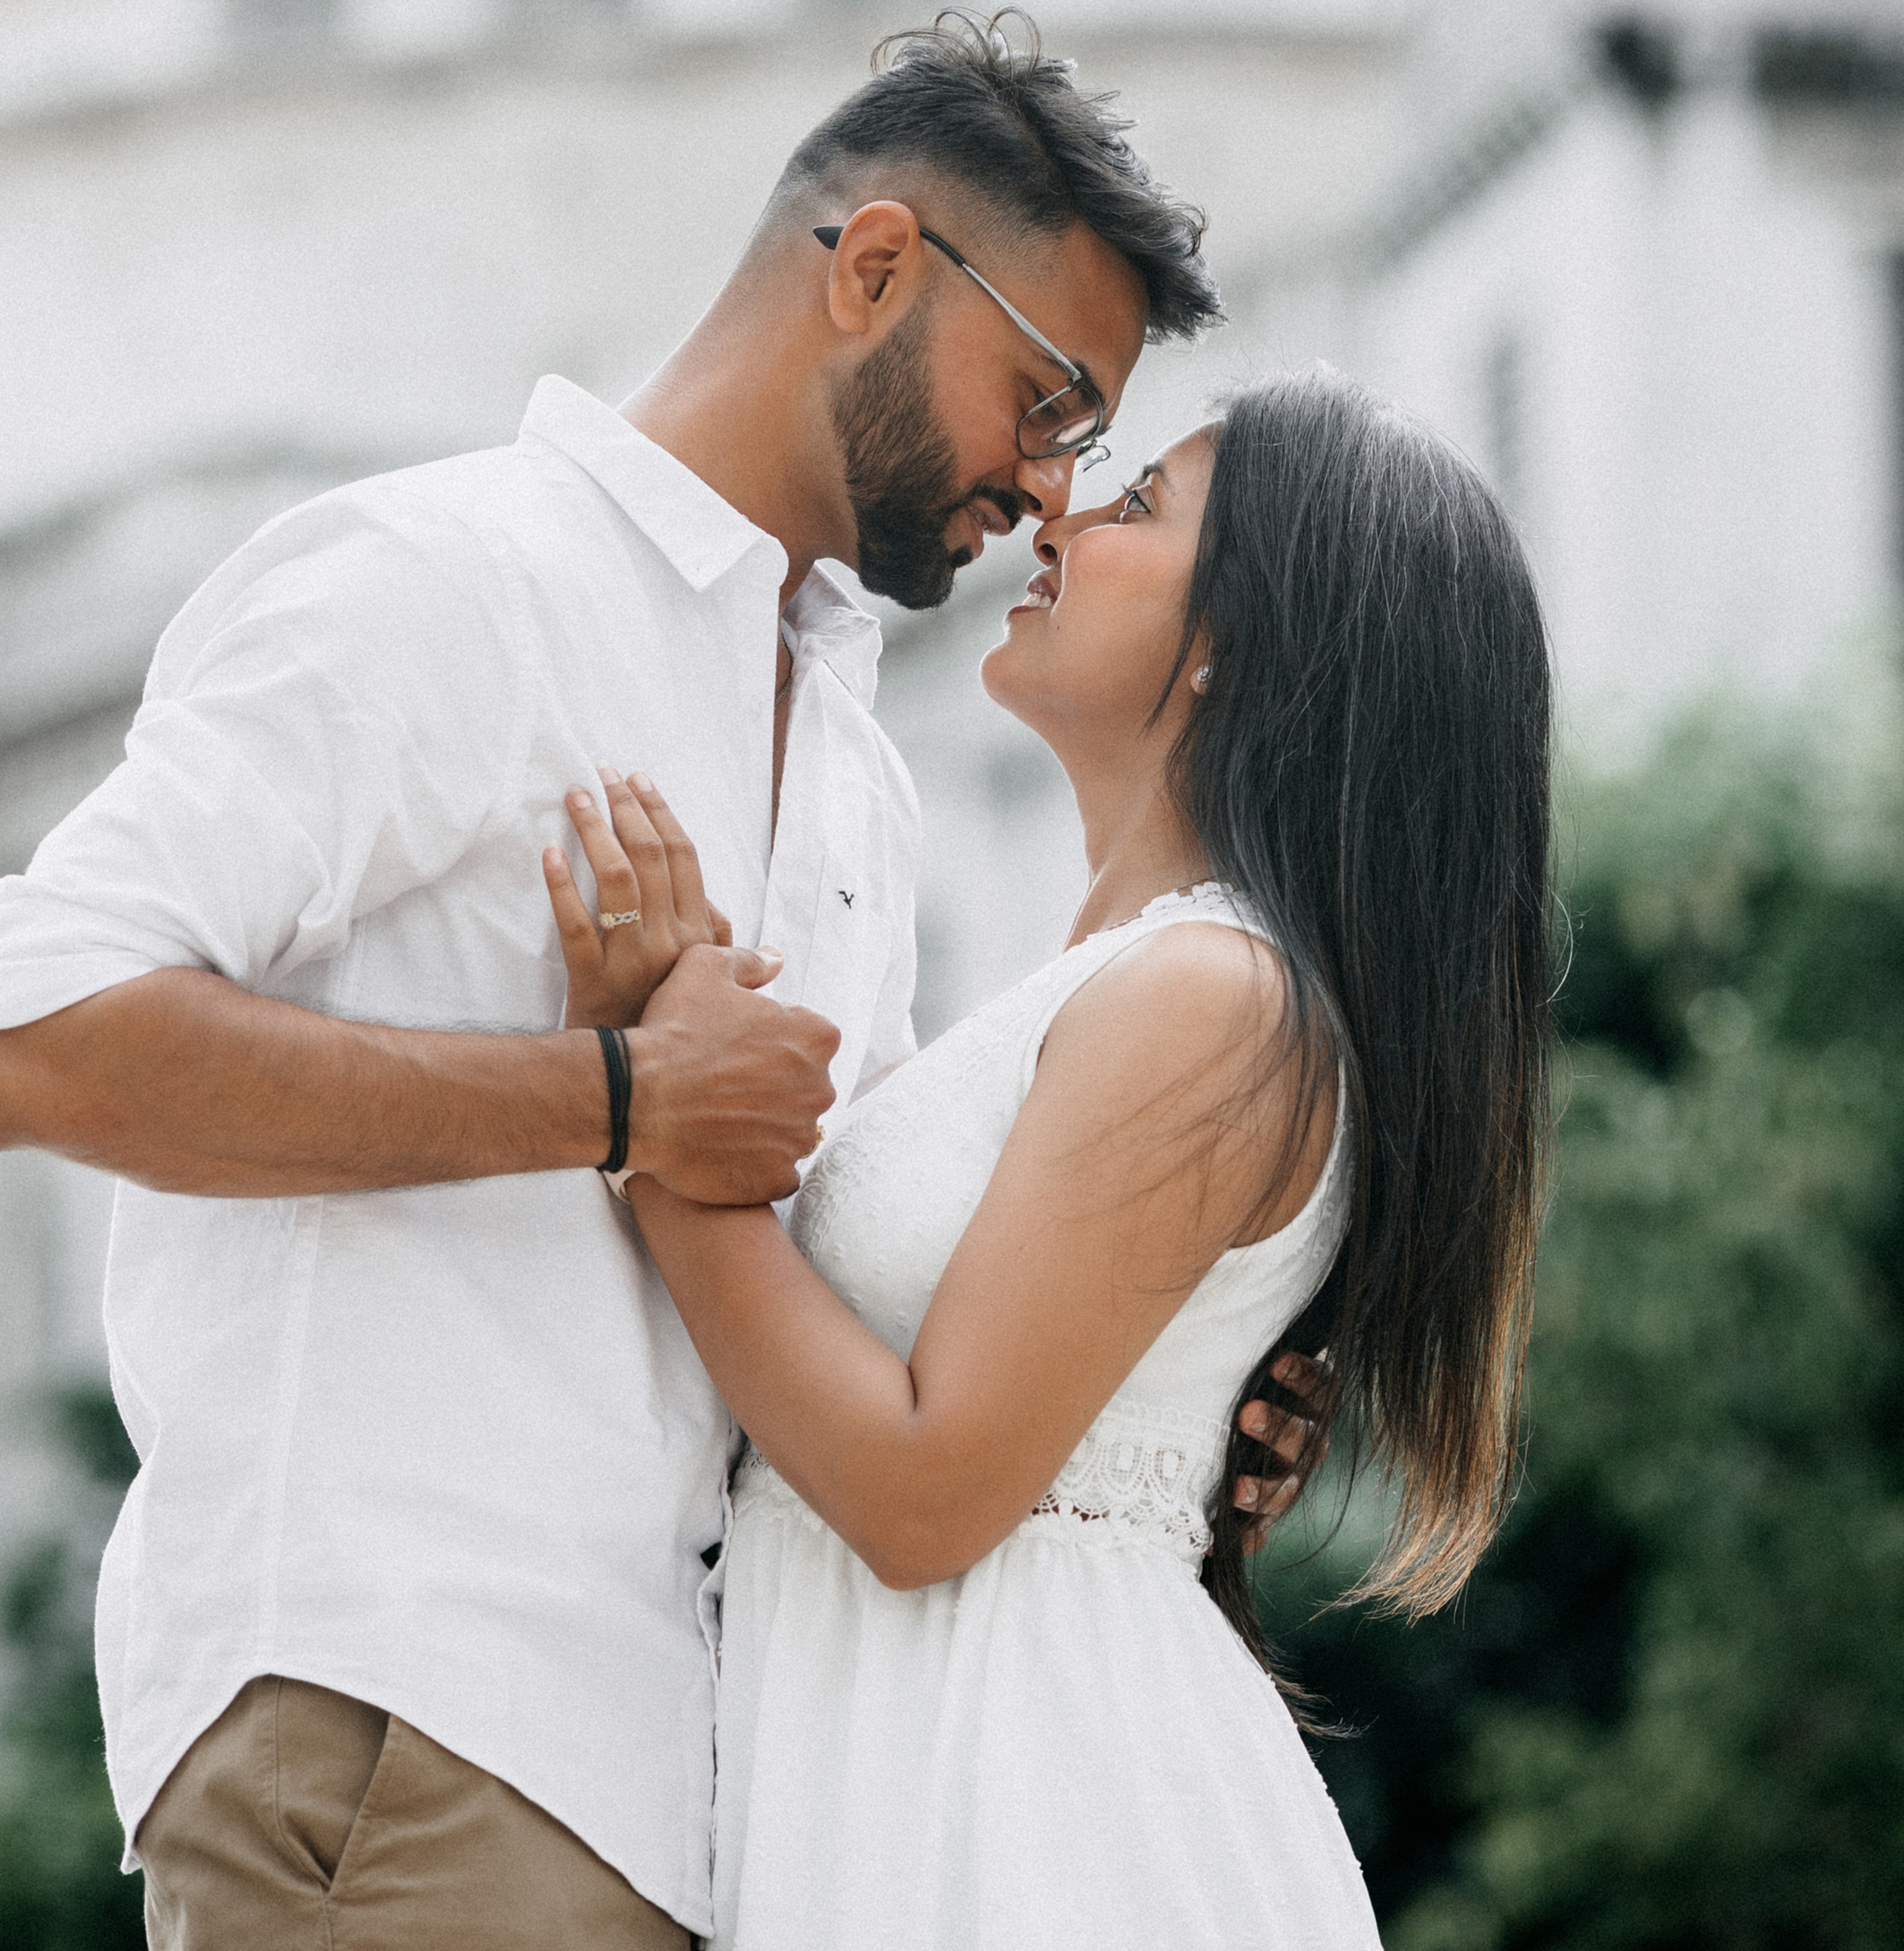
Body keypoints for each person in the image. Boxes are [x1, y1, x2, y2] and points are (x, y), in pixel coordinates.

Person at [0, 17, 1320, 1949]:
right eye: (1045, 395)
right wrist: (605, 1102)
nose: (1048, 484)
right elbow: (25, 1038)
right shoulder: (440, 579)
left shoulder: (861, 775)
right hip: (413, 1728)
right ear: (872, 267)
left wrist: (1167, 1389)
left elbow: (822, 1277)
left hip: (702, 1785)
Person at [553, 370, 1555, 1948]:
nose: (1065, 511)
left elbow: (923, 1493)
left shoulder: (1212, 999)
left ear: (1236, 645)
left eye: (1142, 501)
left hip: (1040, 1810)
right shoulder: (1130, 989)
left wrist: (657, 1116)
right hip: (929, 1767)